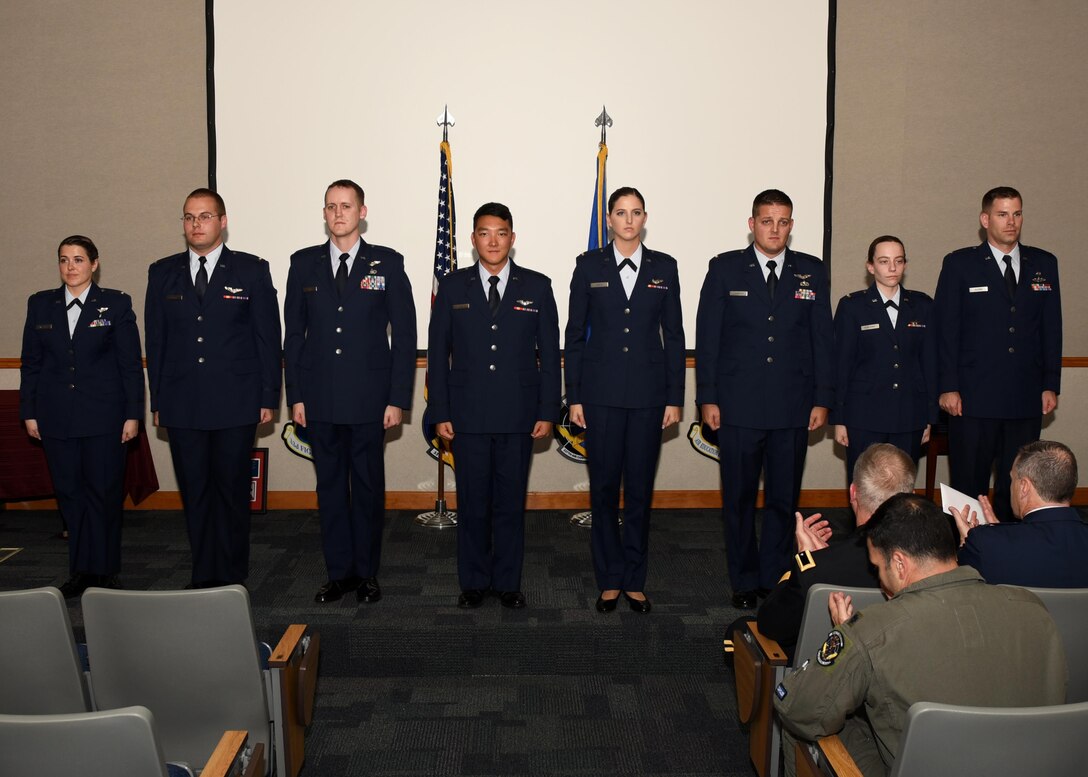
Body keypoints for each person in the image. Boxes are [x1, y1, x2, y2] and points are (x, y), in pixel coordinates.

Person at [774, 493, 1067, 777]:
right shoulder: (1033, 608)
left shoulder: (872, 631)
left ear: (900, 564)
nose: (879, 580)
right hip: (1026, 765)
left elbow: (799, 711)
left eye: (877, 568)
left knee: (810, 712)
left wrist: (846, 639)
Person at [695, 189, 835, 609]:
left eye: (783, 221)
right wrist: (707, 398)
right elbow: (708, 339)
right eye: (767, 220)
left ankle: (774, 575)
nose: (775, 229)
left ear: (791, 225)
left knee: (782, 499)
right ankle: (742, 578)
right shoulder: (724, 270)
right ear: (752, 223)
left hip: (792, 407)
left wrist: (822, 398)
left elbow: (821, 341)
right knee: (737, 498)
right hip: (738, 407)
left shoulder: (810, 271)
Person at [284, 179, 417, 604]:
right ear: (324, 214)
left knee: (366, 488)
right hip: (320, 398)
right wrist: (296, 395)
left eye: (346, 206)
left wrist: (398, 398)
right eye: (330, 207)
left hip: (370, 400)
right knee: (329, 489)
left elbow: (406, 335)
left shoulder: (387, 264)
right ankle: (338, 573)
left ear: (362, 212)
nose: (338, 213)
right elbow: (294, 335)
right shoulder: (303, 264)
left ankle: (366, 573)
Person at [144, 188, 282, 588]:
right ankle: (204, 576)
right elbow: (156, 341)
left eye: (204, 217)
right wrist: (159, 400)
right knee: (196, 494)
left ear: (222, 222)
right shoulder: (162, 271)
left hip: (236, 403)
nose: (196, 225)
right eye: (189, 217)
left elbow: (267, 338)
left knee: (230, 495)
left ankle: (232, 575)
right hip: (182, 403)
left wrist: (267, 396)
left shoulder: (251, 270)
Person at [426, 202, 560, 609]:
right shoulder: (452, 287)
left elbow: (550, 355)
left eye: (501, 233)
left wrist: (547, 410)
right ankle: (473, 583)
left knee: (509, 503)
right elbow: (437, 353)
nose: (493, 240)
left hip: (519, 415)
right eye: (484, 233)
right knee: (473, 503)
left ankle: (507, 583)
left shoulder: (537, 286)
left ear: (512, 238)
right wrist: (441, 411)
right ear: (472, 240)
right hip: (467, 416)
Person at [564, 187, 684, 614]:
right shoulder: (588, 265)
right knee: (602, 491)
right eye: (620, 213)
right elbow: (574, 335)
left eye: (636, 213)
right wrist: (573, 396)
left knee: (638, 491)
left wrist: (675, 397)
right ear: (609, 220)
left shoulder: (664, 267)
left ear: (644, 218)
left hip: (650, 398)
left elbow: (674, 337)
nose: (628, 220)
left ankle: (634, 577)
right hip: (600, 397)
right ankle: (608, 578)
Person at [20, 235, 144, 597]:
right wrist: (29, 411)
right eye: (63, 260)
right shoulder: (41, 305)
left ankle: (105, 571)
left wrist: (132, 414)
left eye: (78, 259)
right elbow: (31, 364)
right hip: (56, 418)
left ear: (94, 264)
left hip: (105, 418)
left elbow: (130, 366)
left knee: (103, 495)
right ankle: (80, 570)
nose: (70, 267)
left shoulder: (116, 305)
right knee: (70, 495)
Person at [934, 186, 1062, 522]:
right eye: (1003, 214)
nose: (1011, 222)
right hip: (973, 398)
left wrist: (1051, 383)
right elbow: (945, 331)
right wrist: (948, 386)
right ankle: (967, 553)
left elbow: (1052, 328)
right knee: (968, 484)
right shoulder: (960, 264)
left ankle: (1010, 553)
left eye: (1017, 214)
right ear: (985, 219)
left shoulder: (1044, 264)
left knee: (1019, 484)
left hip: (1025, 397)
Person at [754, 443, 915, 659]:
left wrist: (806, 560)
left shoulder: (817, 571)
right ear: (911, 496)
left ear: (853, 493)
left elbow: (770, 625)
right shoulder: (935, 559)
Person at [832, 236, 936, 480]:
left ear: (905, 265)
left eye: (898, 261)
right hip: (863, 415)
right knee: (864, 487)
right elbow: (841, 366)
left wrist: (929, 418)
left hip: (909, 414)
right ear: (871, 267)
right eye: (884, 261)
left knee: (901, 488)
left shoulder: (922, 305)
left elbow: (929, 364)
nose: (892, 268)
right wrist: (839, 419)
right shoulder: (852, 307)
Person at [952, 439, 1088, 587]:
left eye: (1012, 479)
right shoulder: (990, 541)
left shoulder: (985, 544)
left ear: (1024, 487)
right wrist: (999, 533)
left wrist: (968, 544)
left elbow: (961, 592)